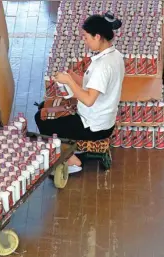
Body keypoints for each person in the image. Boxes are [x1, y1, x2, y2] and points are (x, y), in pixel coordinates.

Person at [35, 12, 125, 174]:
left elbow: (89, 99)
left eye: (86, 37)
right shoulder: (115, 56)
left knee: (41, 118)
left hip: (93, 125)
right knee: (44, 106)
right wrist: (74, 77)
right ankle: (70, 148)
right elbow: (96, 86)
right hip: (104, 117)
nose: (85, 41)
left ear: (97, 36)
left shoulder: (102, 66)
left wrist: (69, 82)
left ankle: (71, 160)